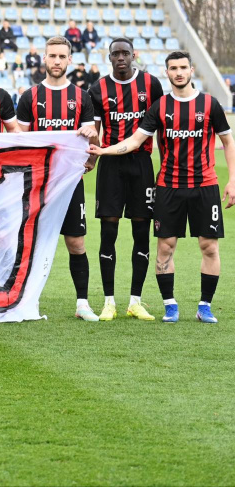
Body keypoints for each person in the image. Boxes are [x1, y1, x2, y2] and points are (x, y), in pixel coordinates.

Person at [90, 50, 235, 323]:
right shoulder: (160, 107)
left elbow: (228, 142)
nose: (178, 73)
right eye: (173, 68)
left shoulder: (210, 104)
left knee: (209, 246)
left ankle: (205, 305)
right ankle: (170, 305)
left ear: (191, 70)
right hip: (168, 186)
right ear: (166, 73)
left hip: (206, 185)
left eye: (183, 67)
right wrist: (103, 152)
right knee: (165, 247)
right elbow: (134, 142)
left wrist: (233, 180)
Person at [17, 36, 99, 321]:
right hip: (39, 184)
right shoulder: (30, 97)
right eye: (52, 56)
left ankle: (82, 304)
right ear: (44, 58)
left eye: (61, 57)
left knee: (76, 242)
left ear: (69, 60)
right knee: (32, 241)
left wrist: (91, 155)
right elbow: (21, 142)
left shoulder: (81, 97)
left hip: (70, 184)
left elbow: (91, 143)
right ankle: (26, 302)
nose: (56, 61)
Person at [85, 38, 164, 321]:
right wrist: (92, 160)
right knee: (109, 231)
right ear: (109, 58)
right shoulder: (97, 89)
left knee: (142, 231)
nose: (120, 57)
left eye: (125, 53)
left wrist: (163, 162)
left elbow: (162, 126)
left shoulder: (151, 84)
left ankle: (135, 300)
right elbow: (94, 131)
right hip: (111, 166)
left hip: (142, 164)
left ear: (134, 55)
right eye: (115, 54)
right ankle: (109, 301)